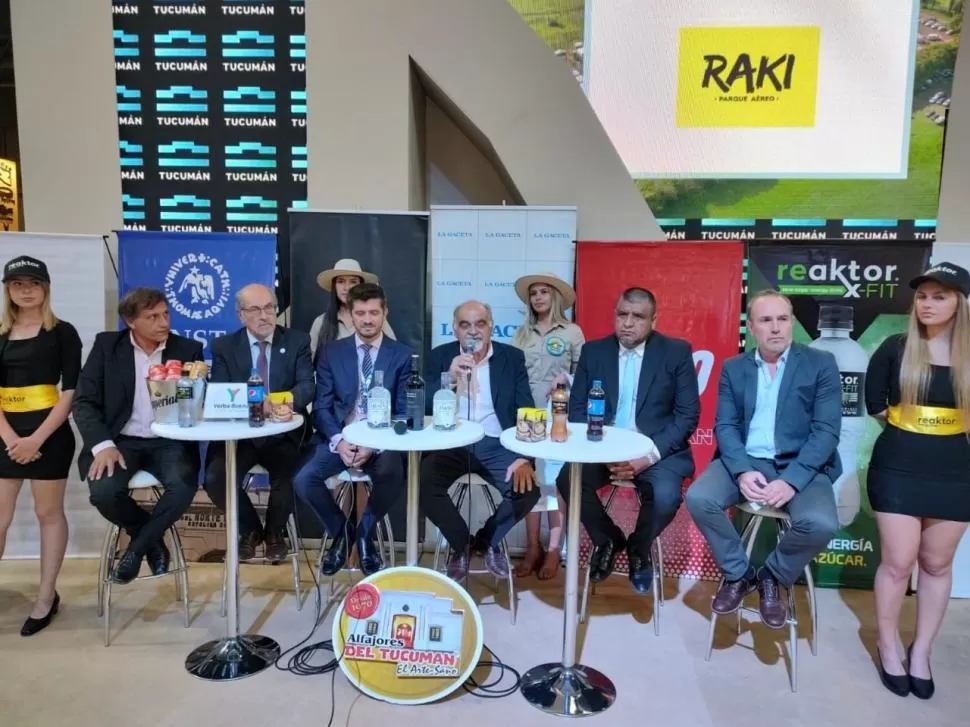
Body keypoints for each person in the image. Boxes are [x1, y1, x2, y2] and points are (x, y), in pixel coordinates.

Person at [684, 289, 841, 629]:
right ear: (751, 328)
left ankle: (772, 576)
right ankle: (738, 574)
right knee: (699, 497)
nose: (775, 328)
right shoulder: (734, 367)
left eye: (782, 319)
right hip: (746, 460)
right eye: (765, 320)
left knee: (822, 523)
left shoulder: (821, 363)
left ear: (793, 323)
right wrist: (740, 471)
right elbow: (724, 425)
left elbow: (826, 432)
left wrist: (792, 480)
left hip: (802, 466)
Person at [865, 262, 970, 700]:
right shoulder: (894, 348)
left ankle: (921, 650)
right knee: (897, 561)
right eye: (923, 296)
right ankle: (887, 644)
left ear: (960, 303)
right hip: (897, 467)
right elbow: (875, 404)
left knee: (937, 565)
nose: (928, 304)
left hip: (956, 473)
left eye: (940, 296)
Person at [560, 288, 699, 593]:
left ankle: (639, 547)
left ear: (653, 320)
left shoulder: (676, 352)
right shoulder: (594, 352)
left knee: (665, 497)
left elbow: (687, 416)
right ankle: (608, 539)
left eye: (637, 317)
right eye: (622, 314)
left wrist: (645, 457)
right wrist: (605, 453)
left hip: (655, 451)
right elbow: (579, 410)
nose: (628, 323)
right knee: (567, 479)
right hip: (604, 448)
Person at [73, 287, 203, 585]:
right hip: (122, 441)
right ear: (130, 321)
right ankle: (149, 540)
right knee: (104, 493)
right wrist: (102, 445)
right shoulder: (107, 347)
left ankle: (135, 550)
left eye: (166, 314)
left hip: (169, 440)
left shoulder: (187, 350)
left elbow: (196, 401)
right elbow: (84, 402)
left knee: (183, 486)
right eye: (152, 316)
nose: (163, 322)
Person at [294, 283, 410, 576]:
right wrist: (339, 440)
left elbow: (404, 410)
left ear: (385, 313)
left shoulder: (402, 354)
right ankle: (346, 535)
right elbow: (321, 406)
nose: (368, 319)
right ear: (351, 315)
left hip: (380, 440)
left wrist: (375, 444)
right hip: (342, 437)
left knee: (393, 472)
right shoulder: (332, 352)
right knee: (304, 480)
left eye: (374, 312)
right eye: (361, 313)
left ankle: (364, 532)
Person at [422, 300, 540, 581]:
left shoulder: (511, 358)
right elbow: (421, 404)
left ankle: (486, 541)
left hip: (496, 442)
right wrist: (448, 380)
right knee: (423, 483)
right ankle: (461, 544)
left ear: (491, 327)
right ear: (455, 330)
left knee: (528, 490)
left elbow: (525, 407)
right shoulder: (440, 356)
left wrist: (525, 457)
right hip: (450, 442)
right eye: (465, 325)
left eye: (480, 324)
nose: (473, 331)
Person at [0, 256, 82, 636]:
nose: (26, 289)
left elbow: (70, 391)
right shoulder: (0, 335)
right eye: (18, 284)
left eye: (33, 282)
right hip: (5, 435)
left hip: (49, 434)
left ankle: (46, 598)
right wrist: (12, 439)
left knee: (47, 513)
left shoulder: (63, 333)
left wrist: (37, 438)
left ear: (46, 288)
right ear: (8, 290)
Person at [203, 284, 314, 564]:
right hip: (240, 435)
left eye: (269, 308)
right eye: (255, 309)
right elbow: (219, 389)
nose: (264, 316)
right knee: (216, 479)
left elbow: (306, 386)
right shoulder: (224, 347)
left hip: (283, 433)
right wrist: (254, 405)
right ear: (241, 315)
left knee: (291, 475)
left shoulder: (297, 341)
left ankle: (275, 533)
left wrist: (276, 402)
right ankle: (251, 530)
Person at [511, 272, 584, 580]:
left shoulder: (572, 332)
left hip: (557, 414)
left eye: (544, 292)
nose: (538, 297)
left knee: (554, 481)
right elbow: (510, 372)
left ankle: (554, 548)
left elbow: (587, 373)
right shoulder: (521, 333)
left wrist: (565, 380)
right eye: (534, 293)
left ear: (555, 297)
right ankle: (532, 547)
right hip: (526, 415)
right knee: (531, 480)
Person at [309, 258, 395, 357]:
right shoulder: (320, 322)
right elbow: (312, 362)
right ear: (334, 286)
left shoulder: (375, 320)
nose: (347, 287)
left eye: (353, 282)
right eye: (341, 281)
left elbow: (393, 354)